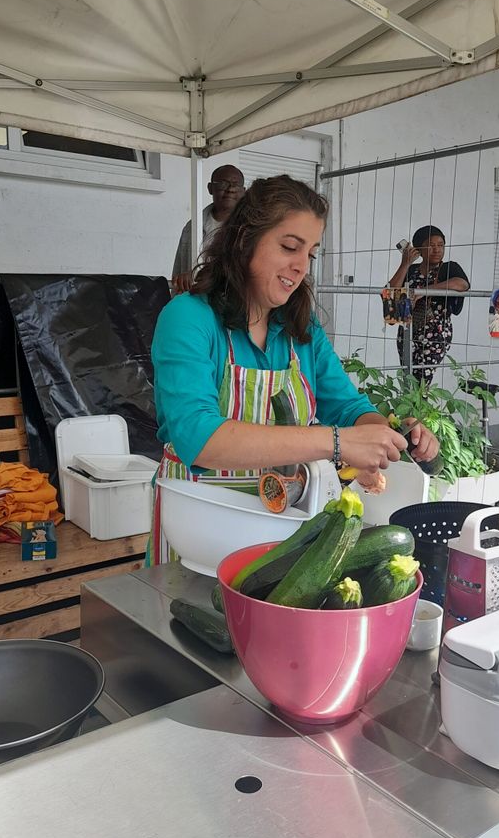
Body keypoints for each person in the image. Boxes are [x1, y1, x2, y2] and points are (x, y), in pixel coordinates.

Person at [150, 175, 439, 565]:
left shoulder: (300, 329)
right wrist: (336, 442)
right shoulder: (188, 318)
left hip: (280, 540)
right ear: (245, 240)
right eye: (289, 247)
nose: (301, 266)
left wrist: (386, 435)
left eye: (311, 254)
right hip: (195, 540)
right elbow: (200, 439)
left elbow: (348, 407)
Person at [388, 225, 470, 385]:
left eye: (441, 245)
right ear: (419, 249)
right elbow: (391, 294)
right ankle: (411, 402)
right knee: (408, 378)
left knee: (421, 381)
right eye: (431, 245)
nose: (437, 250)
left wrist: (423, 291)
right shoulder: (411, 270)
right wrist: (405, 264)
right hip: (408, 330)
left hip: (436, 333)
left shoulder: (449, 268)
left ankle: (419, 402)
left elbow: (461, 284)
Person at [171, 165, 245, 293]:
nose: (230, 189)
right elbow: (180, 269)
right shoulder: (192, 227)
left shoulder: (250, 228)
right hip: (197, 297)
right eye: (223, 184)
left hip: (233, 298)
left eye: (236, 184)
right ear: (210, 188)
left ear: (244, 191)